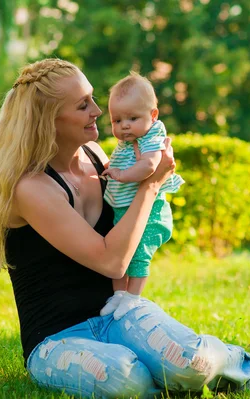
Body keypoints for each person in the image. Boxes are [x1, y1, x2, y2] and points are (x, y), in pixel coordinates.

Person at [0, 58, 250, 399]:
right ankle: (162, 380)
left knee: (190, 362)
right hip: (57, 339)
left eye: (94, 99)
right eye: (83, 105)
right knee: (124, 380)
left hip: (118, 314)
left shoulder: (98, 156)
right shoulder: (31, 187)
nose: (98, 111)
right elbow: (111, 261)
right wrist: (151, 184)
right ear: (49, 120)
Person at [99, 72, 184, 320]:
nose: (124, 126)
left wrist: (121, 175)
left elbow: (149, 167)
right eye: (117, 120)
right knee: (120, 253)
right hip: (125, 208)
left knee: (138, 254)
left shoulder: (152, 137)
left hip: (151, 211)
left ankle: (133, 298)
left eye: (133, 118)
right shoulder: (130, 140)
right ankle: (118, 296)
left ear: (153, 115)